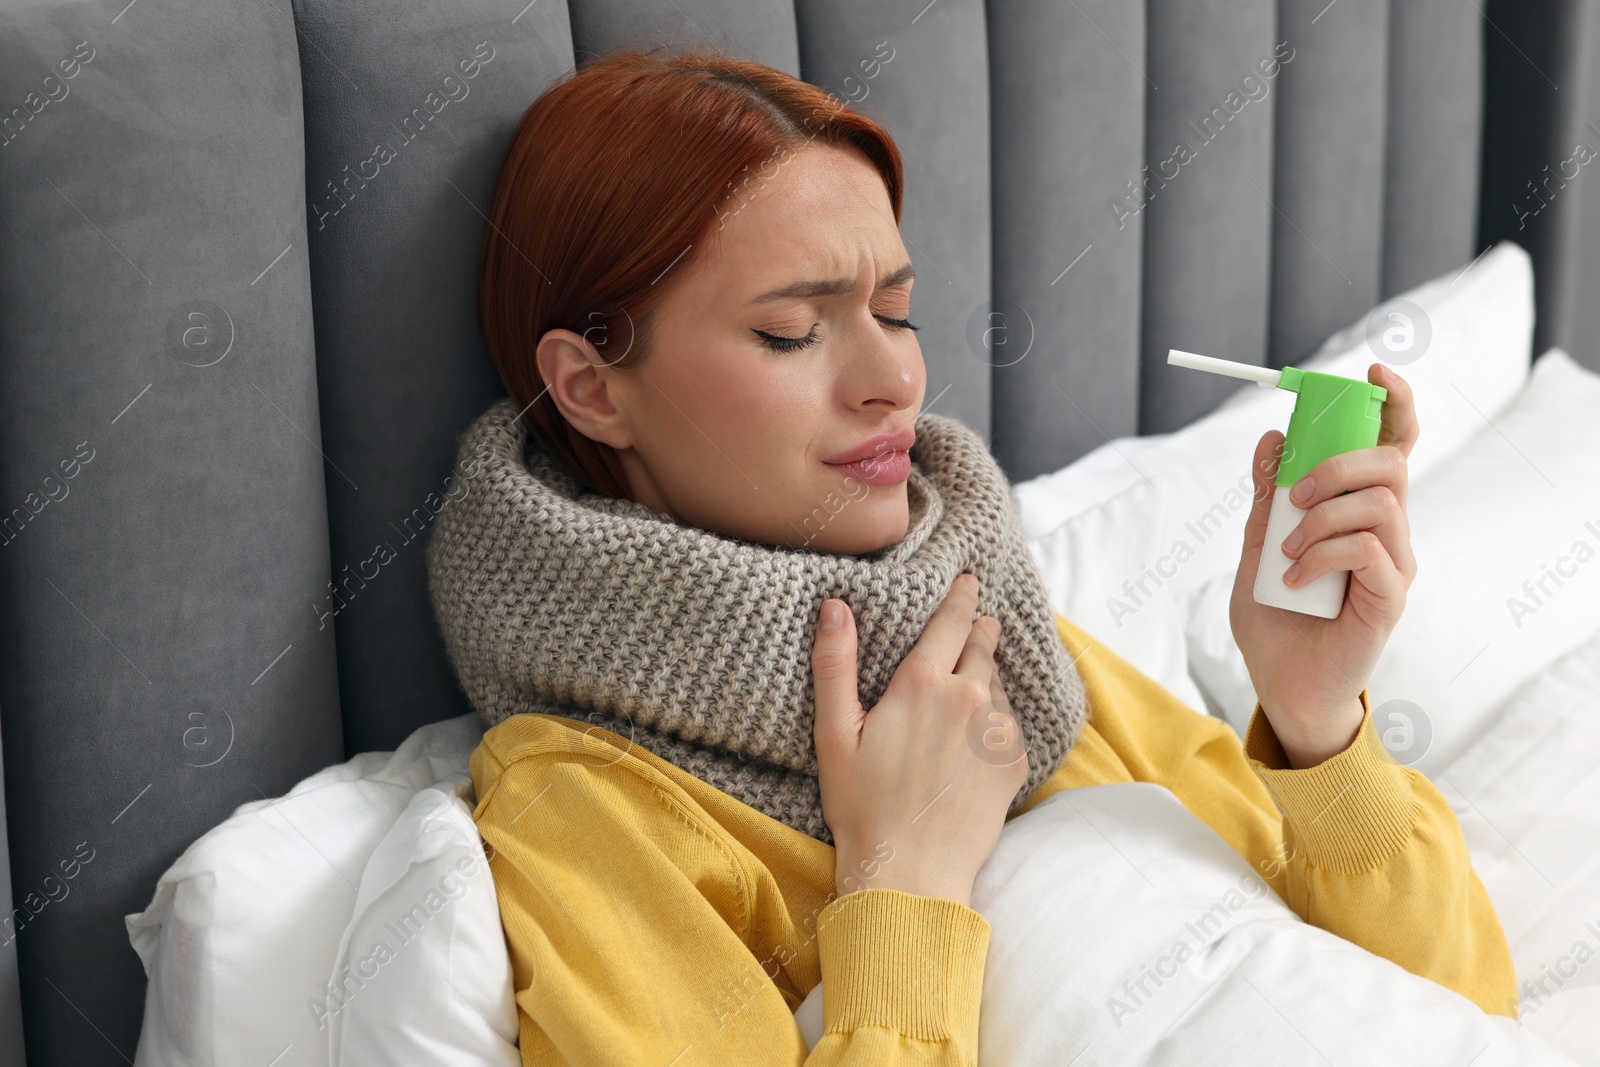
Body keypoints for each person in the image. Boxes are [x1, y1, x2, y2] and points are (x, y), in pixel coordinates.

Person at [423, 47, 1516, 1065]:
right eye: (791, 332)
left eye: (895, 311)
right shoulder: (583, 805)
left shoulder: (999, 646)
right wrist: (902, 885)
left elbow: (1460, 1004)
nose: (893, 378)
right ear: (590, 386)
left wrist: (1318, 723)